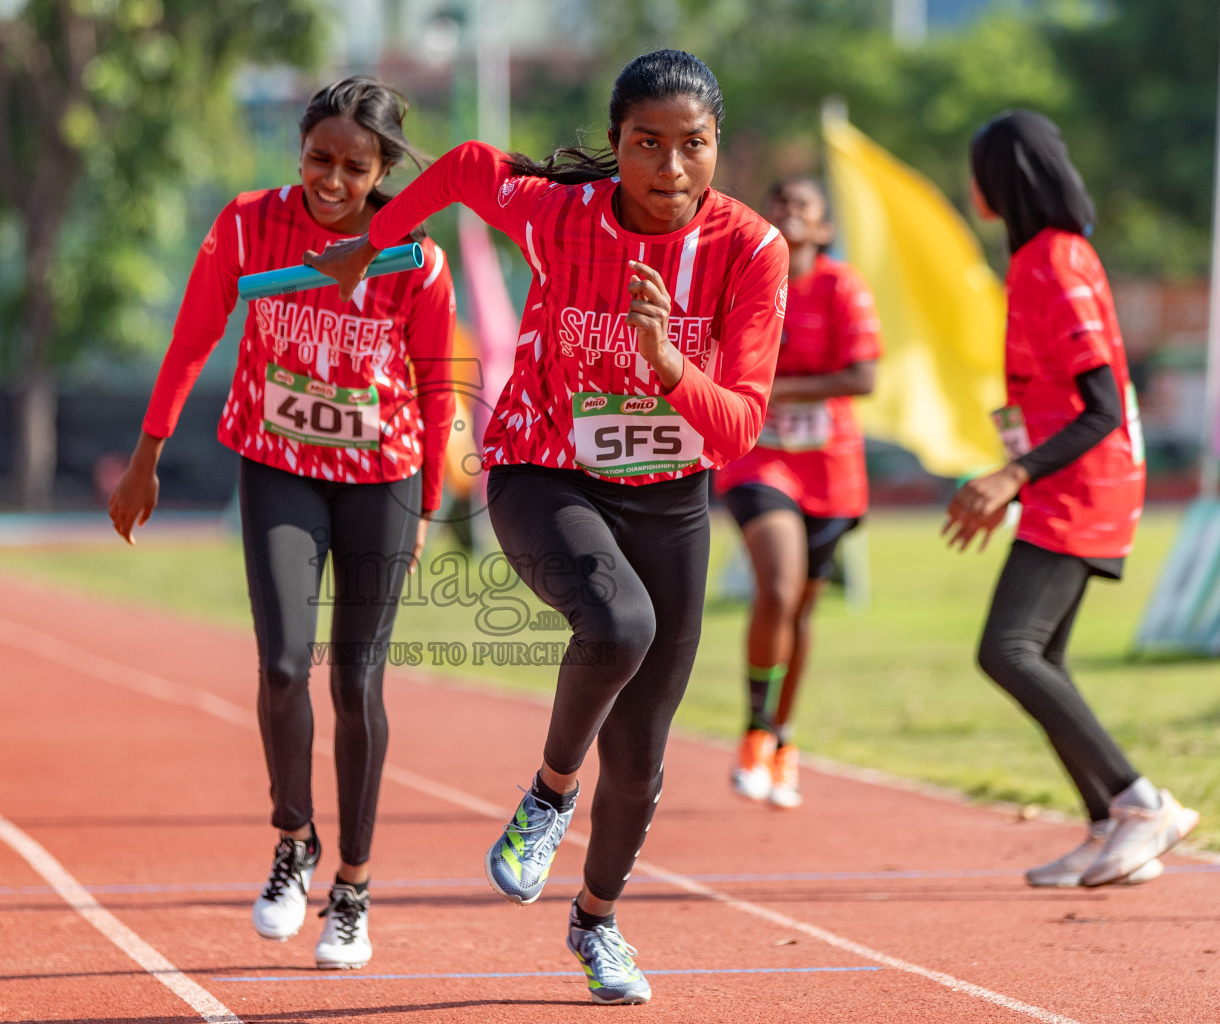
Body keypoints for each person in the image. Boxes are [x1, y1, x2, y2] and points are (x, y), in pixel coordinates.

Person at [310, 50, 786, 1004]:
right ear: (614, 147)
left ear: (716, 147)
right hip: (542, 467)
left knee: (644, 758)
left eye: (694, 146)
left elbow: (737, 428)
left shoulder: (750, 250)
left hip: (670, 493)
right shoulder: (557, 210)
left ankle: (598, 920)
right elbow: (460, 168)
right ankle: (549, 792)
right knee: (618, 626)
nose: (671, 168)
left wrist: (665, 366)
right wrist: (375, 239)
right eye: (647, 145)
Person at [107, 77, 457, 968]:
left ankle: (354, 889)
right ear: (297, 152)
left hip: (381, 474)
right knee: (281, 664)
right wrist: (147, 455)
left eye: (354, 166)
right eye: (317, 159)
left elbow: (436, 384)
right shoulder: (248, 225)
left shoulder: (414, 254)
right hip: (278, 463)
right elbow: (193, 337)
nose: (331, 181)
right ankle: (293, 839)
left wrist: (427, 501)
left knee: (358, 684)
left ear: (381, 172)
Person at [946, 110, 1197, 888]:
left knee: (1009, 649)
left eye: (975, 169)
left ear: (1002, 179)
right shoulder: (1037, 259)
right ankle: (1107, 828)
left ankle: (1140, 801)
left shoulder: (1056, 260)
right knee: (1040, 653)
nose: (969, 185)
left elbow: (1101, 407)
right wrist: (1012, 478)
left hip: (1086, 483)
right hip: (1062, 480)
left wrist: (1009, 479)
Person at [716, 177, 880, 809]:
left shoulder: (843, 287)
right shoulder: (748, 279)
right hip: (759, 461)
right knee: (777, 589)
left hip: (831, 474)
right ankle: (755, 729)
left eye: (801, 207)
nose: (787, 212)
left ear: (823, 230)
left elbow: (863, 376)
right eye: (778, 203)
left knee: (801, 611)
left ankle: (784, 736)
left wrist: (777, 391)